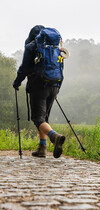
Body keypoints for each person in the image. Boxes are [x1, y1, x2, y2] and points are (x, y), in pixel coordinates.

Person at [12, 25, 65, 158]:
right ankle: (42, 148)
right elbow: (61, 67)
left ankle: (54, 137)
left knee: (38, 117)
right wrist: (55, 85)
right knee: (44, 117)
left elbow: (24, 68)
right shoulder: (56, 48)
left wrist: (17, 82)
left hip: (38, 85)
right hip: (54, 85)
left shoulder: (31, 47)